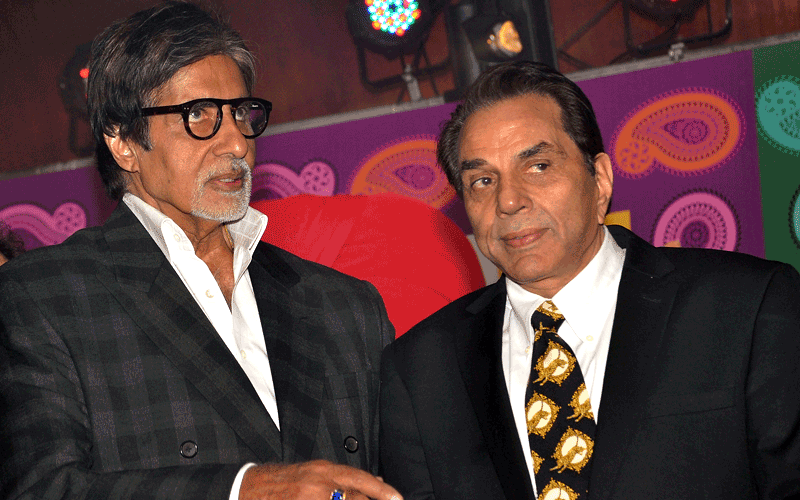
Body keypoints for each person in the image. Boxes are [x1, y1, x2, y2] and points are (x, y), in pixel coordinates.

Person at [0, 3, 401, 500]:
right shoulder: (46, 298)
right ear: (123, 140)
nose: (236, 141)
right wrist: (241, 490)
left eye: (241, 113)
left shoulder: (347, 307)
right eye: (200, 115)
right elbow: (42, 491)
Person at [379, 61, 800, 500]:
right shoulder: (420, 371)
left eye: (538, 166)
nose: (507, 200)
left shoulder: (747, 308)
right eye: (482, 180)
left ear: (599, 180)